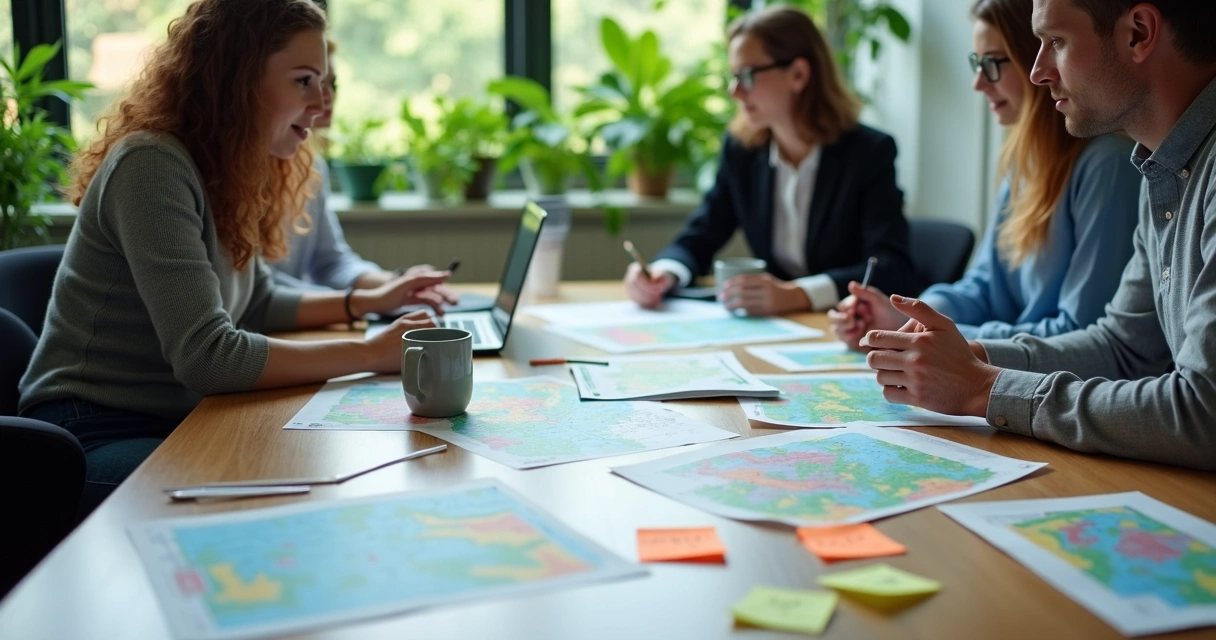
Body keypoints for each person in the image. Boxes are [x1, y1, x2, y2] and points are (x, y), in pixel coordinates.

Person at [19, 0, 449, 512]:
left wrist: (364, 301)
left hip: (173, 413)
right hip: (92, 427)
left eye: (323, 81)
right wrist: (369, 354)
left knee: (301, 469)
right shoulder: (152, 166)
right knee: (275, 487)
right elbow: (209, 357)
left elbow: (259, 299)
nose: (321, 103)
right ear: (239, 78)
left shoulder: (226, 167)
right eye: (304, 80)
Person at [860, 0, 1216, 470]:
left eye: (1056, 42)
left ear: (1138, 33)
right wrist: (973, 357)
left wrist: (984, 387)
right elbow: (1125, 349)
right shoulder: (1164, 170)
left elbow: (1204, 412)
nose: (1038, 71)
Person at [829, 0, 1140, 348]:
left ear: (1033, 58)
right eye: (977, 63)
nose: (978, 82)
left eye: (992, 62)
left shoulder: (1108, 166)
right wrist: (911, 316)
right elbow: (981, 287)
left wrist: (949, 336)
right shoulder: (1025, 164)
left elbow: (1083, 334)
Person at [623, 6, 917, 315]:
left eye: (747, 75)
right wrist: (662, 273)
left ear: (799, 74)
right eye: (733, 76)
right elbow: (702, 233)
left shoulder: (868, 152)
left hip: (843, 327)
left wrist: (797, 294)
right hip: (779, 327)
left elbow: (890, 269)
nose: (734, 91)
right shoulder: (743, 151)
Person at [270, 41, 455, 299]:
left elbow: (332, 262)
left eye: (331, 84)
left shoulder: (309, 165)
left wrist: (396, 282)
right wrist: (365, 302)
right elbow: (260, 294)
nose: (326, 97)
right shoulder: (237, 172)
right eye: (306, 81)